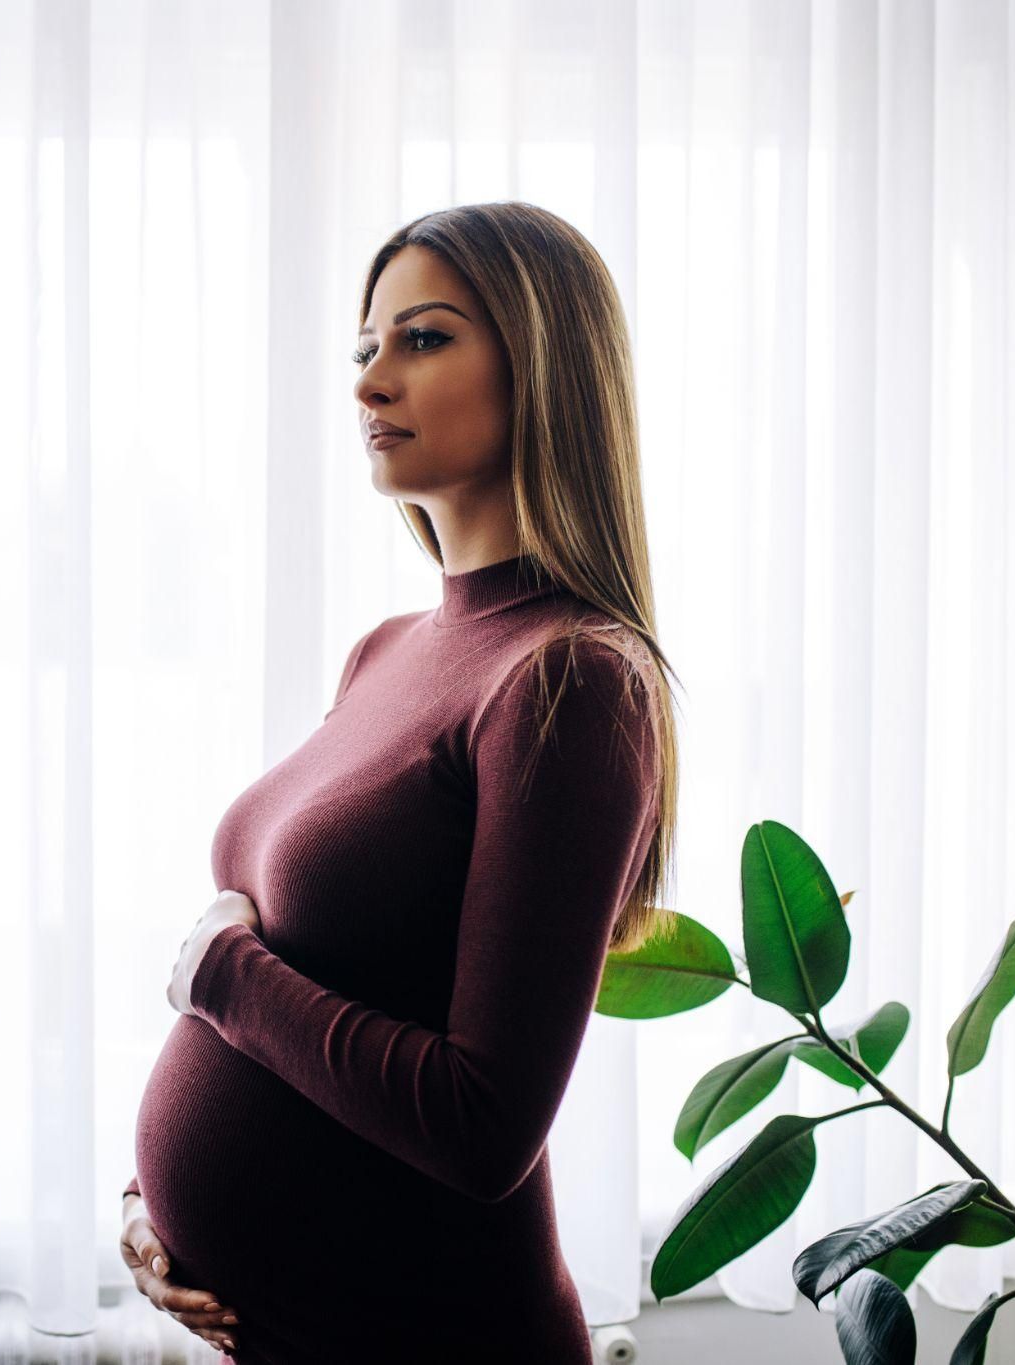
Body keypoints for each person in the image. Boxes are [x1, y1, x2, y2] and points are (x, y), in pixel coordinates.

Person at [117, 201, 683, 1362]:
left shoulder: (572, 680)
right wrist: (146, 1200)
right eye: (364, 348)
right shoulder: (387, 651)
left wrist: (220, 977)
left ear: (543, 365)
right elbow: (329, 979)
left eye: (422, 339)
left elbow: (483, 1128)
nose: (371, 382)